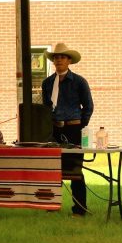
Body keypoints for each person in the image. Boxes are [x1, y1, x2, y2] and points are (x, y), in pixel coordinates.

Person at [42, 43, 93, 217]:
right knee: (51, 168)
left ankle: (79, 209)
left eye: (62, 57)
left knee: (75, 170)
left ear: (69, 60)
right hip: (55, 131)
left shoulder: (79, 81)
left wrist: (80, 124)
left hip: (74, 130)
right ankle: (51, 205)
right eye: (56, 57)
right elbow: (45, 108)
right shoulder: (47, 83)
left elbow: (88, 106)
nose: (59, 60)